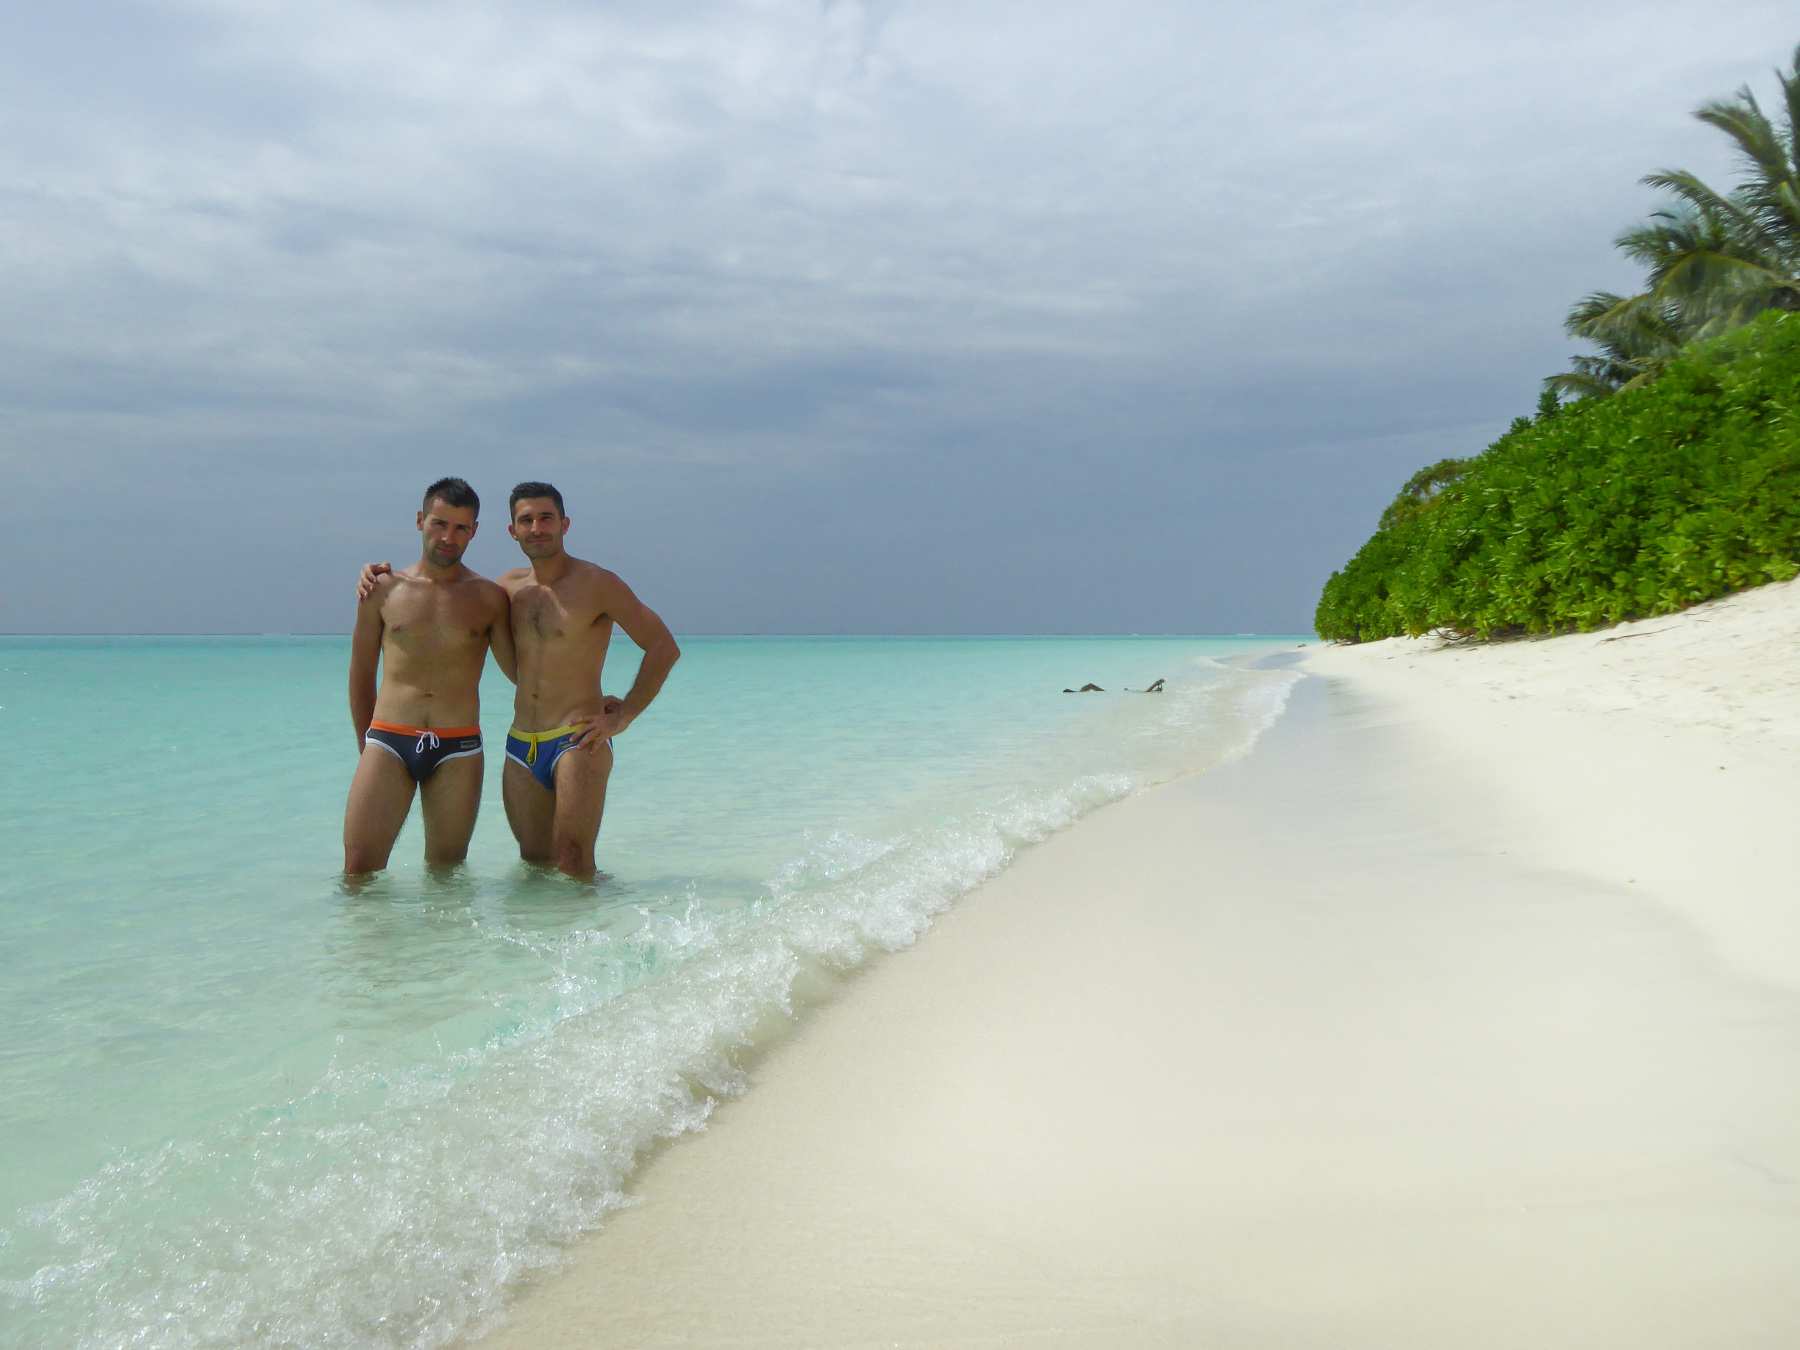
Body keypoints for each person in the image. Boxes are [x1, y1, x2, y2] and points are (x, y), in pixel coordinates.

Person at [359, 481, 679, 879]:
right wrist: (374, 575)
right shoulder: (506, 590)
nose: (537, 528)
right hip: (521, 745)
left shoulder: (598, 584)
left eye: (546, 518)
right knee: (536, 867)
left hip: (578, 737)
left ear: (565, 524)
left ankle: (609, 934)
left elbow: (664, 647)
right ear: (512, 531)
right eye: (526, 520)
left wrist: (624, 714)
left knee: (575, 862)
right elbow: (457, 607)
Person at [344, 477, 515, 874]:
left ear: (474, 532)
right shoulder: (383, 589)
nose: (448, 536)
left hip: (458, 749)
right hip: (388, 739)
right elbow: (361, 672)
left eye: (460, 527)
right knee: (359, 870)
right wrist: (365, 745)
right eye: (439, 523)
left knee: (447, 874)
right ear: (420, 521)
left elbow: (521, 673)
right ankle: (366, 940)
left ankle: (445, 941)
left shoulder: (489, 598)